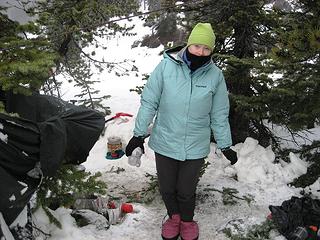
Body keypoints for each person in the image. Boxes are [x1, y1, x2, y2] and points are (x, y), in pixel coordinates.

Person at [125, 23, 238, 240]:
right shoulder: (166, 67)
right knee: (167, 187)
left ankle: (187, 221)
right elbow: (149, 102)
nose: (200, 52)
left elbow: (219, 114)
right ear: (188, 44)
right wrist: (138, 135)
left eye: (206, 49)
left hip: (195, 145)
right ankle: (173, 217)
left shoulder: (215, 76)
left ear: (212, 50)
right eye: (197, 46)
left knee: (186, 190)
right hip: (165, 140)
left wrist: (225, 145)